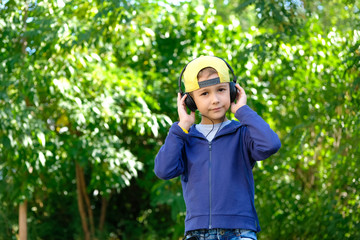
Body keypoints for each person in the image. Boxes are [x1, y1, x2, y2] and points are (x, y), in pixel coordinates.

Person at [154, 56, 281, 240]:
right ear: (189, 101)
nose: (215, 100)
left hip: (240, 231)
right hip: (197, 233)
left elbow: (271, 144)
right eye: (204, 93)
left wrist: (242, 111)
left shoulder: (242, 134)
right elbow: (163, 170)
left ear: (232, 91)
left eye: (221, 90)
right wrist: (182, 127)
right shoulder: (185, 138)